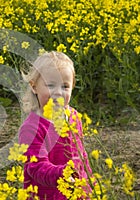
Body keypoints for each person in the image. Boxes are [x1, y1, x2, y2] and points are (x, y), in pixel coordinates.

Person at [19, 51, 92, 199]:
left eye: (65, 86)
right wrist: (63, 174)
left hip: (77, 191)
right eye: (51, 85)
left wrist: (89, 183)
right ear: (34, 87)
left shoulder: (73, 117)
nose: (58, 92)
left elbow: (81, 154)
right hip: (48, 194)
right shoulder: (31, 128)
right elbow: (36, 167)